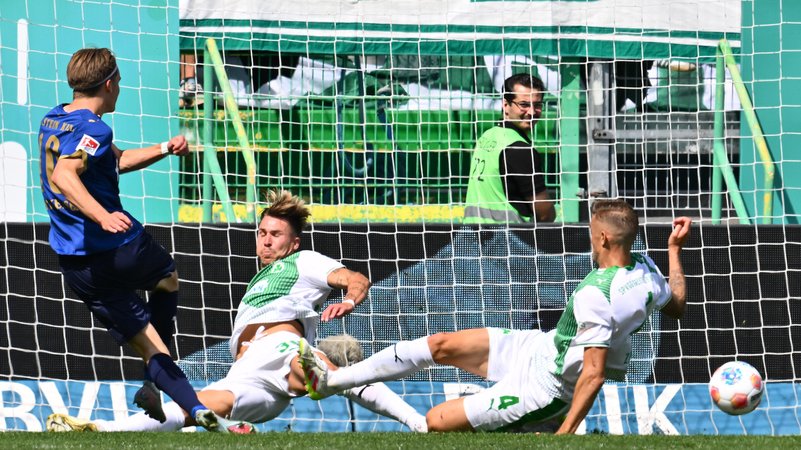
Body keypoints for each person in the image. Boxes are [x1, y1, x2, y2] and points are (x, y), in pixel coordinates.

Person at [46, 190, 427, 433]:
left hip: (279, 347)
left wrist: (349, 300)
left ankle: (417, 422)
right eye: (262, 233)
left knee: (321, 376)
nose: (266, 241)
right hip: (247, 372)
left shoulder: (304, 261)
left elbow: (355, 279)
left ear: (294, 242)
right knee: (193, 408)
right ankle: (100, 430)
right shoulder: (259, 280)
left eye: (275, 235)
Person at [301, 199, 691, 433]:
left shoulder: (597, 295)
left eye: (591, 232)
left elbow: (593, 374)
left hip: (546, 388)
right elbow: (675, 305)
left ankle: (540, 422)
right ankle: (332, 381)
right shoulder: (645, 269)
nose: (589, 237)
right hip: (537, 346)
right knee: (440, 344)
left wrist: (566, 435)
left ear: (603, 238)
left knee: (436, 422)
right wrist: (674, 250)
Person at [38, 47, 226, 430]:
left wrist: (164, 148)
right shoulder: (95, 128)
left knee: (149, 343)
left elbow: (116, 160)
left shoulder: (54, 119)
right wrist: (103, 215)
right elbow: (64, 175)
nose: (120, 89)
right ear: (109, 84)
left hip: (77, 266)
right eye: (120, 82)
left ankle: (192, 408)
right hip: (117, 247)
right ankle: (158, 386)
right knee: (167, 276)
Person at [464, 73, 556, 224]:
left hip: (470, 232)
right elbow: (545, 214)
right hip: (507, 235)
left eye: (537, 105)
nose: (532, 112)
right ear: (506, 105)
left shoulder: (487, 136)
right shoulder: (519, 149)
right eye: (524, 105)